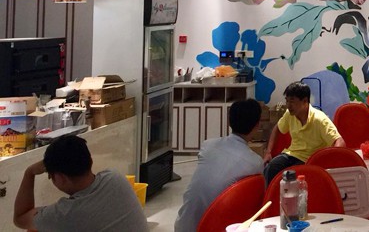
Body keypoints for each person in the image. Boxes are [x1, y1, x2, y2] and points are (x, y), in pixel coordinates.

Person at [13, 134, 148, 231]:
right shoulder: (115, 178)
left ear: (60, 177)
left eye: (51, 176)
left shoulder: (65, 214)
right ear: (90, 161)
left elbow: (20, 218)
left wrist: (29, 173)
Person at [174, 98, 264, 232]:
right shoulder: (255, 163)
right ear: (257, 125)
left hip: (184, 225)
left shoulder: (207, 146)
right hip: (215, 227)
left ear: (229, 121)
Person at [263, 81, 345, 185]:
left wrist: (330, 162)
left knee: (292, 178)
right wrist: (268, 152)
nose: (288, 105)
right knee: (271, 168)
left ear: (305, 101)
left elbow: (340, 142)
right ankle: (269, 194)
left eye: (292, 101)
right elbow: (277, 128)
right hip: (291, 154)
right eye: (287, 101)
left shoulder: (319, 119)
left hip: (310, 160)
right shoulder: (289, 114)